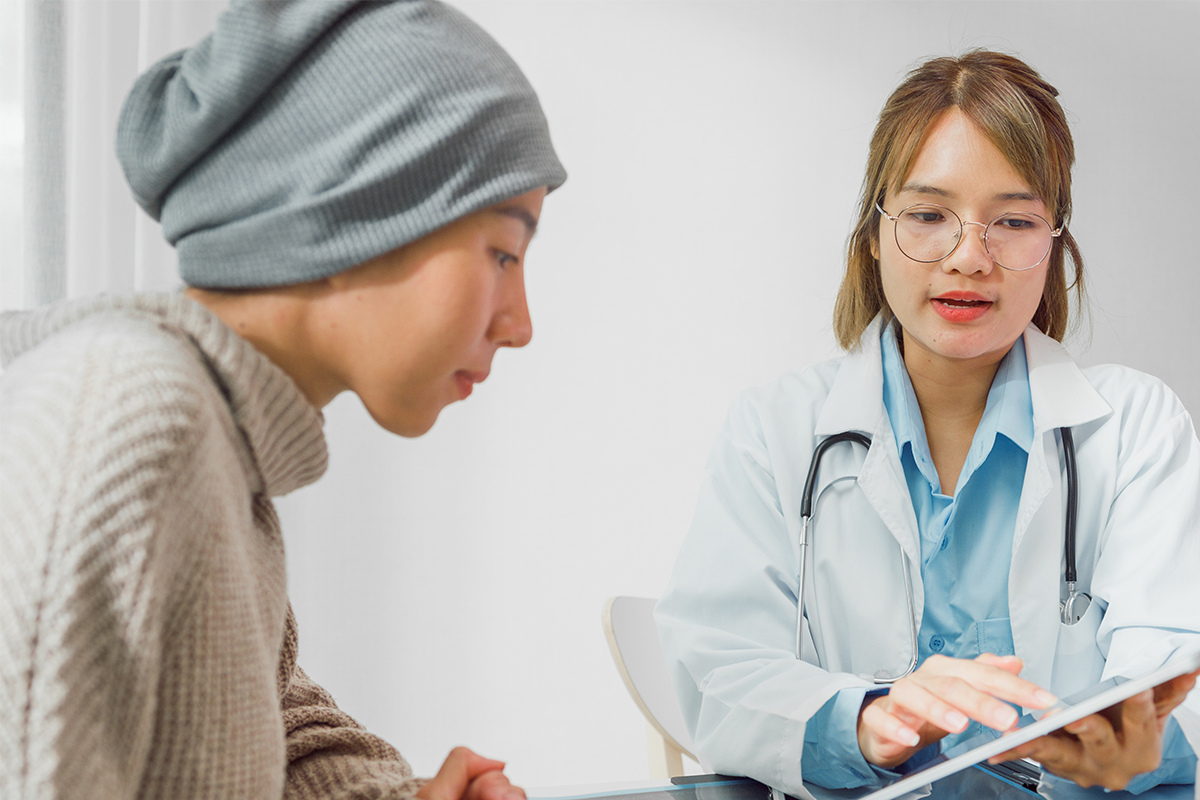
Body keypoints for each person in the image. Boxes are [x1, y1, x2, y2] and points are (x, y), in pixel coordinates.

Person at [0, 2, 564, 799]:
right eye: (504, 252)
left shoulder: (225, 455)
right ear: (347, 213)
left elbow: (265, 723)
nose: (521, 326)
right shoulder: (127, 416)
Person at [655, 50, 1200, 797]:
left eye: (1013, 221)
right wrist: (864, 723)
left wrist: (1141, 745)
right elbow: (718, 671)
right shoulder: (775, 430)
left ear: (1053, 246)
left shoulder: (1135, 429)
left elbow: (1177, 668)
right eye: (928, 215)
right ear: (874, 235)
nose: (969, 257)